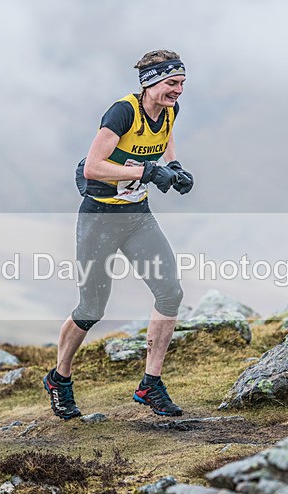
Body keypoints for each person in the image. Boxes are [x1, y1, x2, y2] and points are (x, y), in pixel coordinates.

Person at [43, 50, 194, 420]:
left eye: (181, 84)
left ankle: (150, 384)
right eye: (172, 83)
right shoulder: (122, 112)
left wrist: (174, 168)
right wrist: (146, 172)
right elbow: (93, 167)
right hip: (100, 218)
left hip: (137, 216)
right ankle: (59, 378)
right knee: (92, 308)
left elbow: (166, 136)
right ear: (150, 83)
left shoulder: (170, 110)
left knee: (170, 292)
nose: (178, 91)